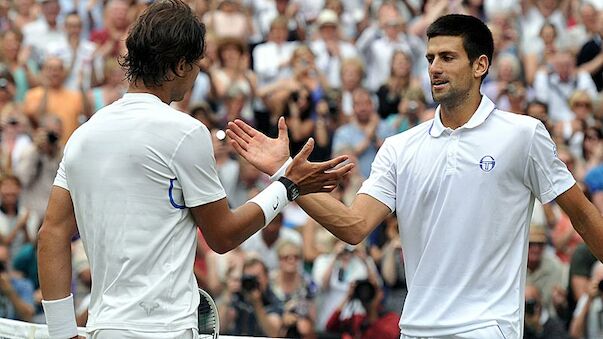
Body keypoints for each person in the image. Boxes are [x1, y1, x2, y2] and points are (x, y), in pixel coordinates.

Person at [227, 14, 603, 338]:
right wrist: (286, 174)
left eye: (448, 57)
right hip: (417, 329)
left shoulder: (523, 134)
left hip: (489, 328)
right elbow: (354, 225)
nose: (434, 67)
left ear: (480, 65)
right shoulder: (399, 147)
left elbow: (583, 215)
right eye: (430, 58)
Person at [36, 1, 352, 339]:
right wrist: (288, 185)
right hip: (165, 331)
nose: (198, 72)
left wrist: (61, 332)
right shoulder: (185, 132)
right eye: (197, 64)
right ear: (178, 66)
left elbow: (51, 235)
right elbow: (222, 236)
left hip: (102, 328)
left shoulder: (82, 136)